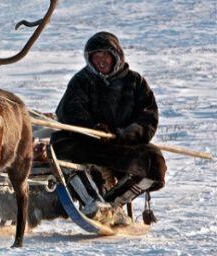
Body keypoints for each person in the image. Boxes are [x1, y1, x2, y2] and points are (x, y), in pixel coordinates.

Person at [51, 31, 167, 226]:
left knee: (154, 161)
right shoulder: (81, 81)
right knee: (60, 145)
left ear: (116, 56)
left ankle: (112, 204)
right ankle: (91, 202)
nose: (100, 61)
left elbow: (148, 120)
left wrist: (120, 134)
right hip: (88, 143)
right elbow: (68, 115)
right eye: (95, 57)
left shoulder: (136, 83)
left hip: (122, 145)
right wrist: (92, 129)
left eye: (104, 55)